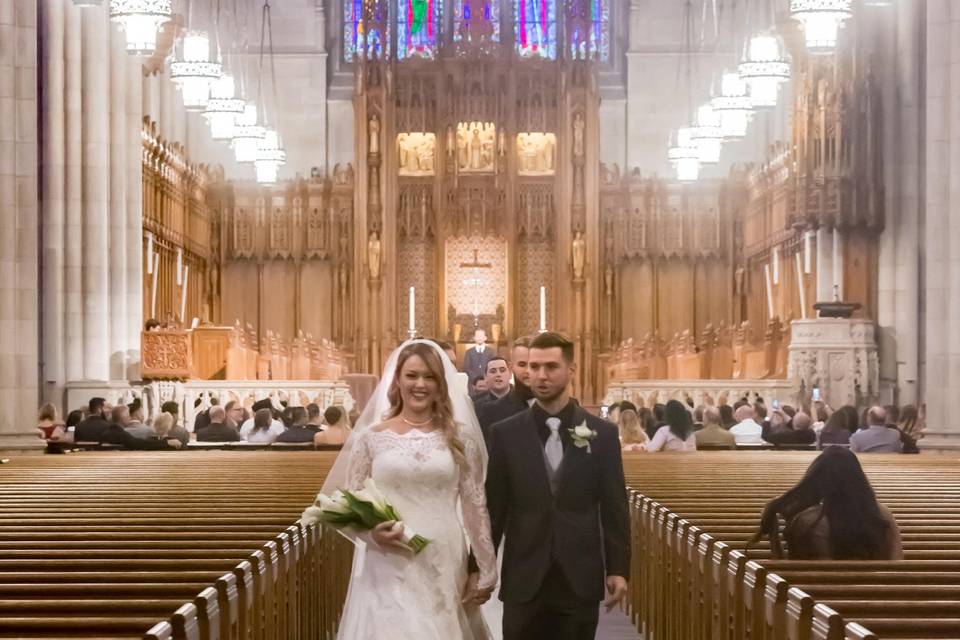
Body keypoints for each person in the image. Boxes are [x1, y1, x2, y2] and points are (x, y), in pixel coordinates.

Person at [303, 339, 497, 639]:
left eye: (429, 376)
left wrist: (485, 566)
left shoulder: (461, 438)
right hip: (388, 559)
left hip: (443, 556)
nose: (420, 384)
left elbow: (475, 505)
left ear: (441, 383)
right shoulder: (371, 437)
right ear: (398, 380)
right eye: (412, 375)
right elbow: (348, 503)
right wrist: (371, 534)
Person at [486, 331, 629, 640]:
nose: (539, 375)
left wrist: (618, 568)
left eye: (550, 367)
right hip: (524, 574)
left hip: (578, 574)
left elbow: (615, 506)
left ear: (571, 370)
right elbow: (494, 508)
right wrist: (480, 566)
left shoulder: (601, 434)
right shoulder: (505, 434)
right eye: (533, 367)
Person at [747, 447, 903, 560]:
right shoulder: (881, 512)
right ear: (858, 477)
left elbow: (792, 570)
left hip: (816, 600)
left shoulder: (809, 520)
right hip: (877, 595)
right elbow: (897, 561)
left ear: (818, 479)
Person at [476, 337, 534, 445]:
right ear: (512, 368)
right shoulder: (491, 410)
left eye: (534, 364)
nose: (528, 370)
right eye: (522, 364)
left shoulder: (561, 405)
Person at [462, 328, 496, 395]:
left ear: (485, 338)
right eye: (477, 336)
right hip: (472, 384)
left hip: (487, 383)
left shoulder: (491, 352)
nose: (479, 338)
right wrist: (476, 379)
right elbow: (466, 367)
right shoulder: (469, 352)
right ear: (474, 338)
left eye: (481, 336)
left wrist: (485, 378)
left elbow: (493, 366)